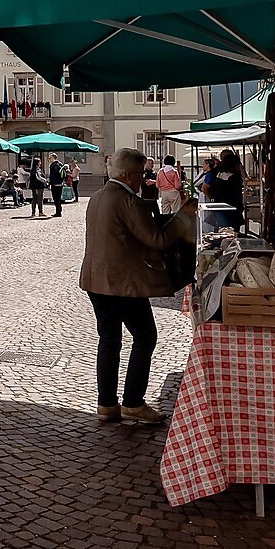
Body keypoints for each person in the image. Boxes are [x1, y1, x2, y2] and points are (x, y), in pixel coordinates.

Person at [80, 149, 191, 424]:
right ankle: (133, 402)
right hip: (121, 283)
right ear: (129, 175)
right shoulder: (127, 201)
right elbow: (157, 239)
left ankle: (107, 403)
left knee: (109, 339)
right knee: (145, 336)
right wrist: (184, 217)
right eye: (141, 174)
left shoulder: (97, 196)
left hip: (96, 279)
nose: (143, 179)